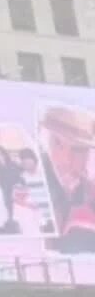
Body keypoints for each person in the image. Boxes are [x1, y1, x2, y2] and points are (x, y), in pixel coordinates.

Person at [39, 106, 95, 254]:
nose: (67, 160)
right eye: (58, 144)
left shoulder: (86, 189)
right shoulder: (37, 183)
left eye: (81, 150)